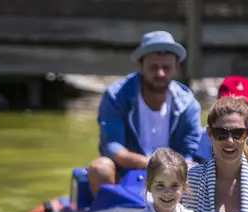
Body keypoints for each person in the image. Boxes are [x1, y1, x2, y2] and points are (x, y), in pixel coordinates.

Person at [87, 30, 203, 196]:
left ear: (176, 68)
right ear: (140, 66)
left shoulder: (188, 103)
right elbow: (112, 146)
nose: (160, 73)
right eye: (154, 67)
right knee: (100, 168)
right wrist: (150, 164)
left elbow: (190, 151)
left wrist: (171, 170)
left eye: (166, 67)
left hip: (173, 176)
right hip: (126, 173)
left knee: (197, 171)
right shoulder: (116, 96)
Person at [196, 76, 248, 164]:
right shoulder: (206, 134)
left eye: (243, 105)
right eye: (228, 105)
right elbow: (202, 164)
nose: (235, 111)